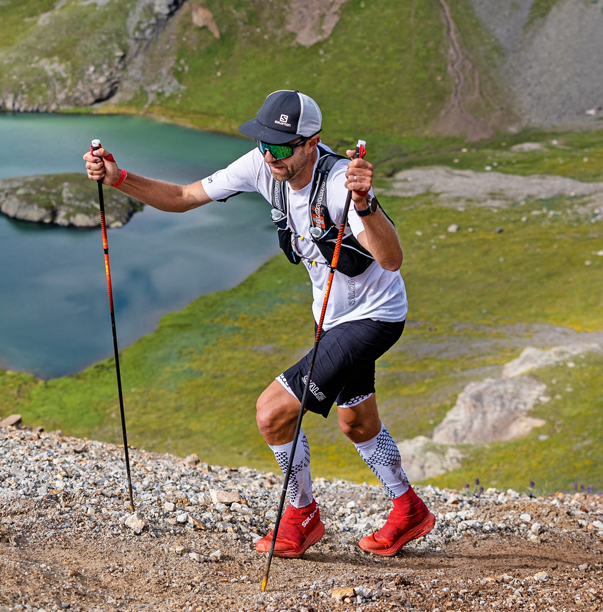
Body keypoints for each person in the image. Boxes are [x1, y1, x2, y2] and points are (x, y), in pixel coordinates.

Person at [83, 89, 433, 558]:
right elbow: (185, 197)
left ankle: (302, 516)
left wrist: (365, 203)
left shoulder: (337, 186)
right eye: (264, 142)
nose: (270, 155)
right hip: (332, 318)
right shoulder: (261, 164)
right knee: (356, 422)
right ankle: (409, 509)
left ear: (312, 143)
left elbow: (391, 260)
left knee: (272, 412)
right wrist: (119, 177)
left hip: (374, 317)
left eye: (282, 146)